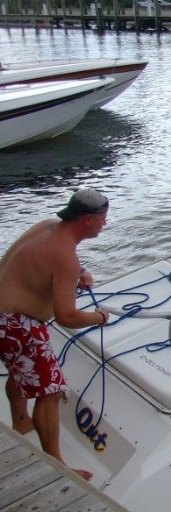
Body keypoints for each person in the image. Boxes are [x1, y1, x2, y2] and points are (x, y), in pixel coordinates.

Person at [0, 189, 112, 482]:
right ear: (87, 220)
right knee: (49, 391)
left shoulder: (47, 226)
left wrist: (80, 271)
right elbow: (67, 316)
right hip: (16, 324)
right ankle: (56, 467)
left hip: (3, 317)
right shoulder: (65, 258)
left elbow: (50, 260)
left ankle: (21, 421)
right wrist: (98, 317)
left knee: (20, 369)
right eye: (102, 219)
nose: (105, 223)